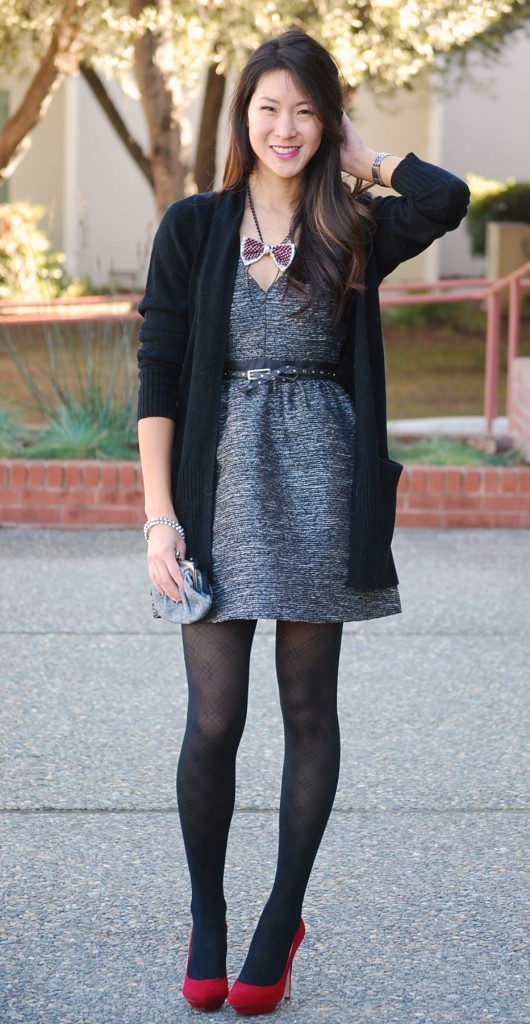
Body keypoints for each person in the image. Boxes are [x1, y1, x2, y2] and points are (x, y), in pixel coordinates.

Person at [137, 29, 469, 1015]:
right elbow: (156, 371)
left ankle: (279, 919)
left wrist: (362, 159)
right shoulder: (193, 226)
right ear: (243, 118)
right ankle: (207, 911)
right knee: (212, 716)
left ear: (327, 120)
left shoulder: (352, 221)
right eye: (268, 108)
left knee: (307, 707)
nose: (284, 128)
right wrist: (158, 519)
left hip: (323, 481)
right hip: (213, 484)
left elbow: (445, 198)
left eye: (305, 110)